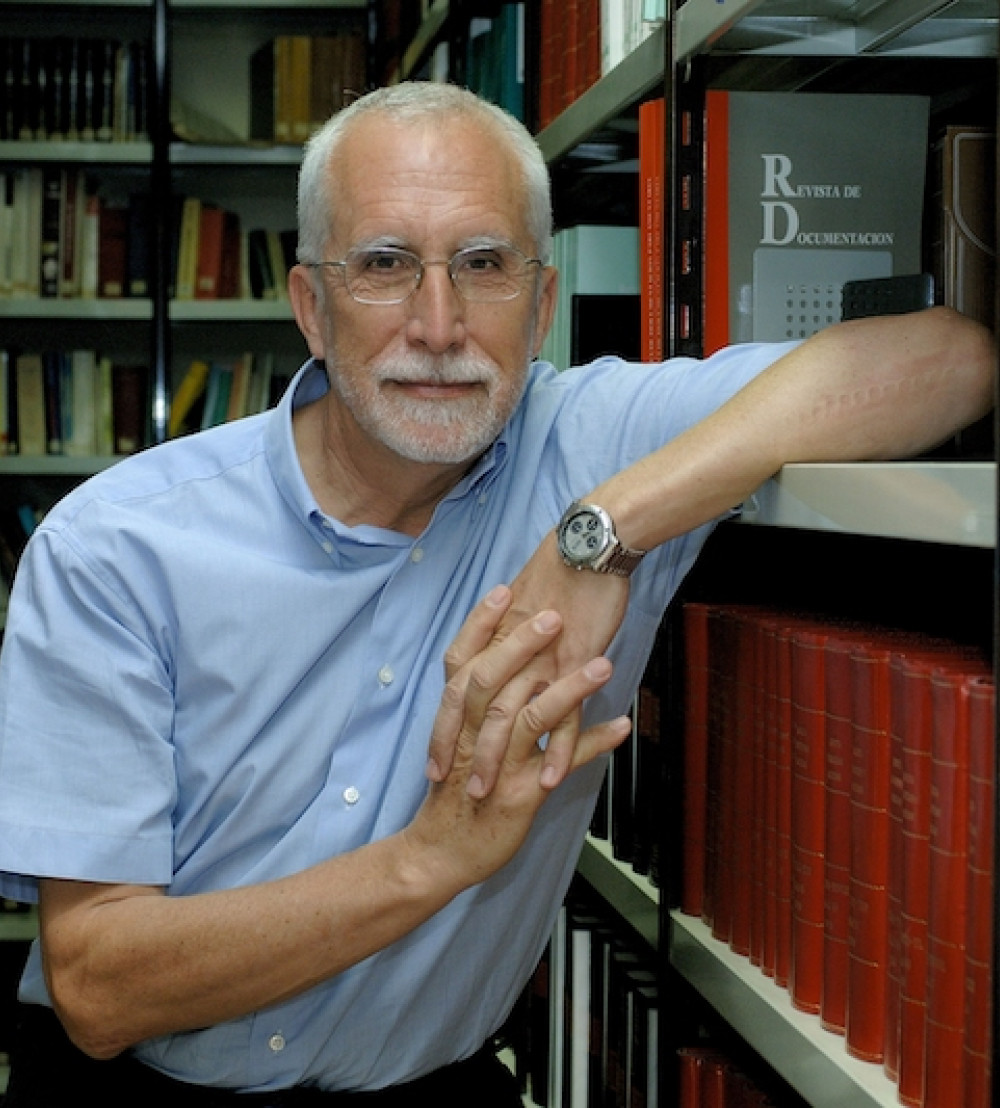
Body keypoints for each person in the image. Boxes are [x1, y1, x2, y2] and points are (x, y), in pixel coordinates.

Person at [0, 81, 992, 1106]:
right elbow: (98, 985)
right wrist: (429, 861)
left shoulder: (591, 441)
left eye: (483, 265)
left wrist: (598, 535)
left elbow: (948, 361)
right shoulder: (115, 547)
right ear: (310, 306)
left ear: (543, 304)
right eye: (384, 265)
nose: (439, 325)